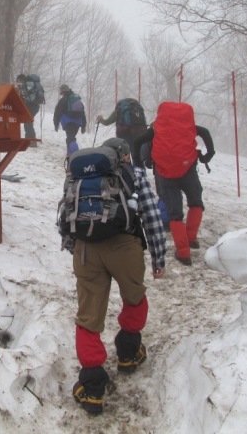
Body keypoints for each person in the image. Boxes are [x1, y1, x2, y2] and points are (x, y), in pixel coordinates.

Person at [61, 137, 166, 416]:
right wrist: (158, 257)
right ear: (124, 156)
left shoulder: (77, 174)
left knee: (88, 315)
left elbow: (66, 212)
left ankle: (92, 388)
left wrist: (75, 247)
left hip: (86, 250)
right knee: (134, 297)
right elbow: (151, 216)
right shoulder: (135, 174)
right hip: (125, 246)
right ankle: (129, 354)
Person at [132, 101, 215, 265]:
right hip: (188, 170)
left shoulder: (155, 129)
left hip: (165, 173)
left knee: (174, 213)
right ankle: (192, 238)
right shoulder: (190, 127)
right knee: (196, 202)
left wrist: (138, 163)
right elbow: (205, 133)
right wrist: (208, 155)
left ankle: (183, 253)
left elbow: (137, 142)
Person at [53, 84, 86, 156]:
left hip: (68, 122)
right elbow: (83, 113)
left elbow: (57, 113)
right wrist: (83, 126)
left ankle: (74, 154)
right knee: (71, 138)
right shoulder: (77, 100)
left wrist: (56, 124)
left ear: (62, 92)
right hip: (77, 123)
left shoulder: (63, 100)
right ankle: (70, 154)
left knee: (71, 139)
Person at [15, 73, 45, 146]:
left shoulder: (27, 84)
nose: (19, 82)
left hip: (30, 106)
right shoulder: (31, 84)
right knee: (28, 122)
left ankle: (32, 141)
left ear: (21, 79)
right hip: (35, 106)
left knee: (28, 122)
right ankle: (29, 140)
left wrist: (17, 88)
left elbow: (24, 94)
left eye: (19, 80)